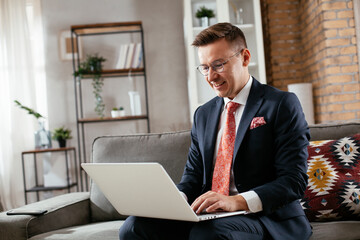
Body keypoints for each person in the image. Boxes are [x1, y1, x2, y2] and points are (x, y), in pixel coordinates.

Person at [119, 22, 312, 240]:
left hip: (264, 218)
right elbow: (192, 176)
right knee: (134, 227)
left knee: (207, 234)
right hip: (210, 217)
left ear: (245, 58)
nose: (211, 77)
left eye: (219, 65)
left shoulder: (281, 104)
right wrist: (175, 200)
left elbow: (293, 180)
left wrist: (236, 201)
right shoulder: (203, 114)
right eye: (205, 67)